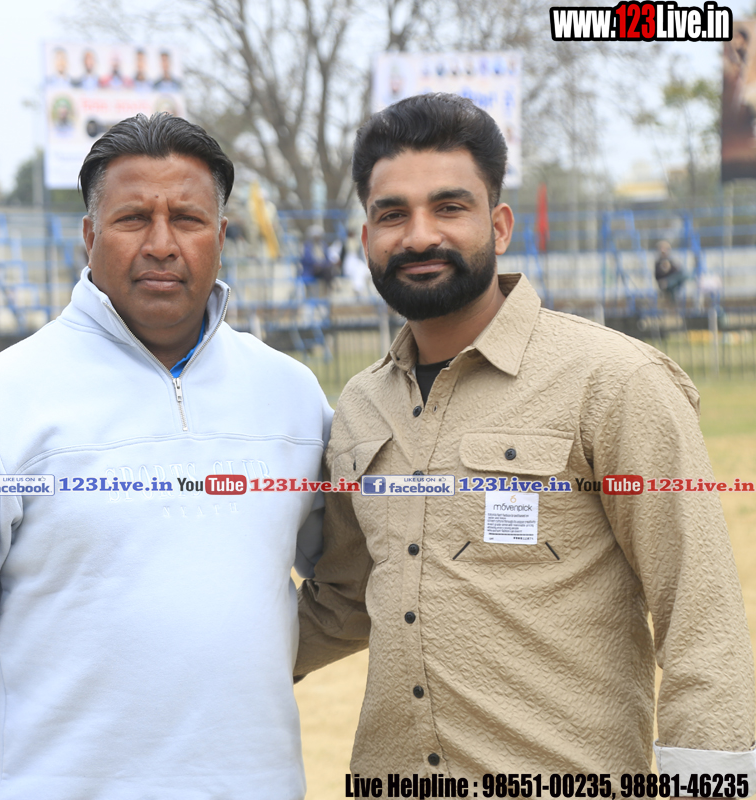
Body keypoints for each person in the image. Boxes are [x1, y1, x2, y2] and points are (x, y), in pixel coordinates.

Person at [0, 113, 332, 800]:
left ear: (222, 237)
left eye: (188, 219)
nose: (162, 244)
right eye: (133, 218)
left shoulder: (291, 395)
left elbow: (353, 573)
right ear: (89, 235)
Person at [296, 93, 756, 781]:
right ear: (366, 239)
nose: (419, 236)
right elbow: (342, 600)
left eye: (449, 207)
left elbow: (701, 613)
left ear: (500, 225)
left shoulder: (613, 380)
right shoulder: (362, 407)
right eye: (392, 214)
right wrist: (175, 662)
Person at [654, 239, 688, 306]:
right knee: (673, 287)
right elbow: (658, 275)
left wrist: (669, 267)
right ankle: (673, 303)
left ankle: (669, 284)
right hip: (663, 283)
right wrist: (664, 269)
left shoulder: (670, 260)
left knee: (682, 275)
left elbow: (676, 271)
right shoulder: (658, 262)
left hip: (672, 283)